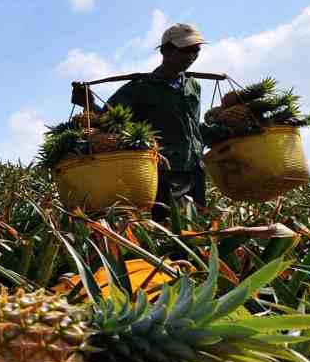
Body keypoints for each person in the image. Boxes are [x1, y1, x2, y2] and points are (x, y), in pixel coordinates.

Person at [71, 22, 209, 217]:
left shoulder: (193, 86)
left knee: (198, 232)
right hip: (163, 171)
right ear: (166, 51)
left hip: (195, 171)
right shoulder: (139, 89)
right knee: (167, 230)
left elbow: (193, 127)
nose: (192, 56)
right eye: (186, 50)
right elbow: (109, 120)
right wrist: (88, 103)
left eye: (196, 50)